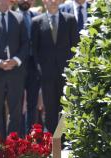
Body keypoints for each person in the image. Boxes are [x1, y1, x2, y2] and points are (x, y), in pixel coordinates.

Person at [32, 0, 79, 134]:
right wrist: (40, 70)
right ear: (44, 2)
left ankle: (66, 137)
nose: (52, 1)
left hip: (66, 73)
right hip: (46, 74)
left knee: (65, 106)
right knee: (50, 107)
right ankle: (52, 139)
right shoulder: (37, 21)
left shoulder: (69, 19)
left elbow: (75, 46)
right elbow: (34, 49)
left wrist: (72, 69)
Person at [0, 0, 29, 138]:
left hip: (15, 72)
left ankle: (13, 144)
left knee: (15, 111)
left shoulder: (19, 18)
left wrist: (15, 61)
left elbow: (26, 43)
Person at [16, 0, 41, 136]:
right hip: (17, 65)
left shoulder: (36, 17)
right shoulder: (12, 16)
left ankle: (32, 138)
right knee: (17, 105)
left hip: (33, 65)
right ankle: (18, 138)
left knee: (33, 104)